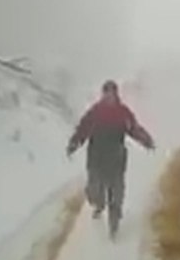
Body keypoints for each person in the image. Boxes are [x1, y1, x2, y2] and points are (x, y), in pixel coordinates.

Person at [66, 80, 155, 236]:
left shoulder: (123, 113)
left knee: (116, 190)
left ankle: (115, 218)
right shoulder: (95, 112)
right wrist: (74, 143)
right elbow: (83, 129)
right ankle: (98, 204)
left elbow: (134, 129)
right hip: (96, 157)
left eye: (112, 94)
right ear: (103, 95)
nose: (109, 97)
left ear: (116, 95)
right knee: (95, 189)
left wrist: (146, 140)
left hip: (116, 157)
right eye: (106, 94)